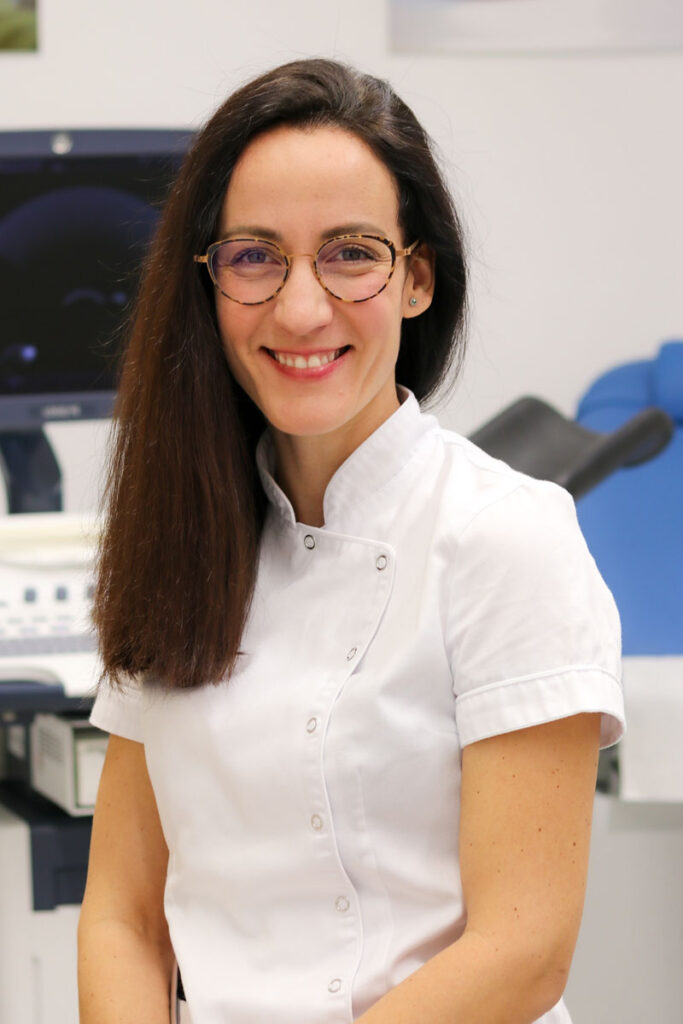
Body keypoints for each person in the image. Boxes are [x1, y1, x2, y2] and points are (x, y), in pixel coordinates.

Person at [77, 58, 624, 1024]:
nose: (300, 309)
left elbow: (522, 950)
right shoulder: (179, 535)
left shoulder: (507, 538)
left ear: (416, 278)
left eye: (351, 254)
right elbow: (124, 919)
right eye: (254, 257)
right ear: (206, 282)